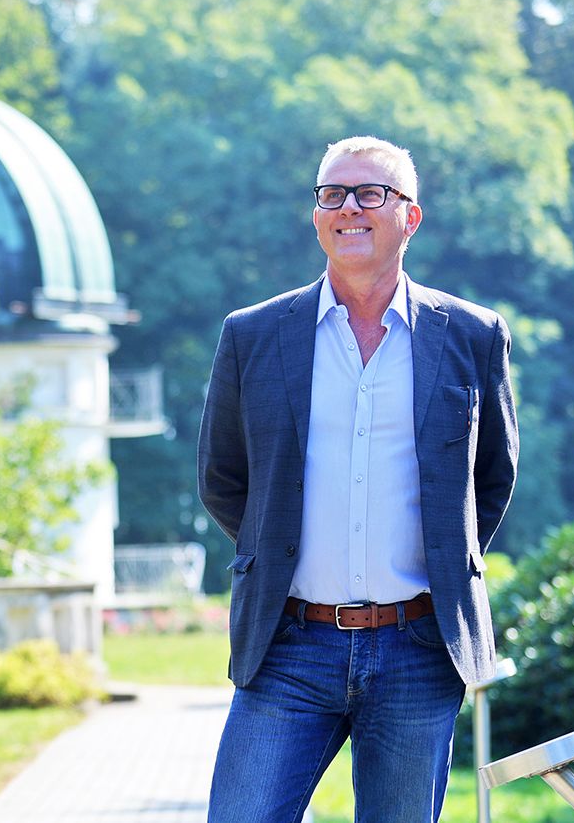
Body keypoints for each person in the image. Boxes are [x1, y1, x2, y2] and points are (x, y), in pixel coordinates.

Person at [197, 136, 519, 823]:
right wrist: (279, 548)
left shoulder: (472, 335)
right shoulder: (252, 335)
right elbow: (225, 479)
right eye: (331, 194)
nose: (349, 207)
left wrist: (437, 560)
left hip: (419, 650)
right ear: (316, 216)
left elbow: (489, 481)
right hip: (288, 647)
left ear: (410, 217)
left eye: (370, 193)